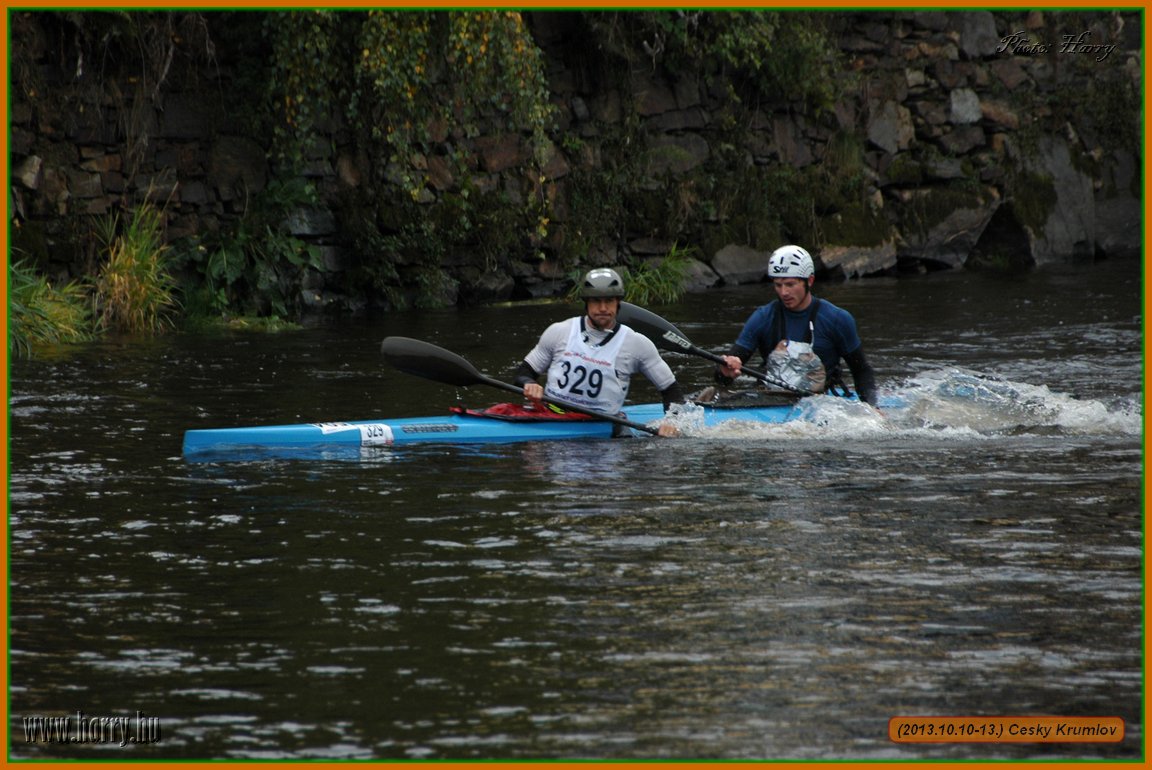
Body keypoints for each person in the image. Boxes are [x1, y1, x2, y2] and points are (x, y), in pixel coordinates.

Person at [513, 268, 685, 437]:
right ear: (587, 303)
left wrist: (672, 422)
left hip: (602, 425)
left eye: (609, 301)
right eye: (596, 301)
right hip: (552, 417)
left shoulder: (637, 344)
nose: (603, 308)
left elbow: (671, 390)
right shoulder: (559, 331)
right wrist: (530, 384)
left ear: (618, 303)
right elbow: (523, 373)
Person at [716, 244, 878, 405]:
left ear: (810, 281)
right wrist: (725, 372)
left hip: (821, 404)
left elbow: (861, 370)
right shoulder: (762, 318)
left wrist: (872, 407)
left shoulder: (838, 319)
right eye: (778, 285)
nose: (784, 292)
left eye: (790, 284)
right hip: (772, 401)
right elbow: (722, 379)